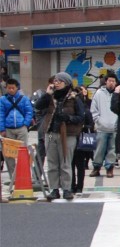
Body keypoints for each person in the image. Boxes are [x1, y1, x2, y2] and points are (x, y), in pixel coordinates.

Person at [35, 72, 85, 201]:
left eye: (59, 81)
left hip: (68, 134)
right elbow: (38, 106)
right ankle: (54, 189)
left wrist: (68, 118)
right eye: (55, 81)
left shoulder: (74, 98)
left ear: (66, 83)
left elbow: (81, 117)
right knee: (52, 162)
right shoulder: (50, 97)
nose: (56, 83)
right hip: (51, 133)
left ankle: (67, 189)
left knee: (65, 162)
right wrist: (47, 94)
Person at [1, 78, 34, 190]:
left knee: (22, 154)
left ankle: (23, 176)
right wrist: (2, 129)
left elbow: (29, 112)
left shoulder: (24, 99)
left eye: (12, 88)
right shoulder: (2, 100)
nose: (10, 90)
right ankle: (13, 178)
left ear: (17, 88)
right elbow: (0, 114)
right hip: (8, 129)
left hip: (21, 128)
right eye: (8, 88)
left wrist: (25, 124)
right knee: (9, 155)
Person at [90, 73, 119, 178]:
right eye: (109, 80)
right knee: (99, 149)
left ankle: (109, 168)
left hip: (114, 128)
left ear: (116, 83)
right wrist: (97, 120)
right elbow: (93, 109)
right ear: (106, 81)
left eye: (113, 81)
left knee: (112, 149)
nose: (111, 83)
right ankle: (96, 168)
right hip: (101, 127)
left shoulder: (118, 94)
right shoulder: (98, 93)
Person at [71, 86, 95, 195]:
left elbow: (91, 125)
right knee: (70, 164)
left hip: (81, 139)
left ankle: (79, 186)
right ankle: (72, 186)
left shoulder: (85, 110)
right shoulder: (68, 109)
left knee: (80, 165)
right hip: (70, 138)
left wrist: (84, 126)